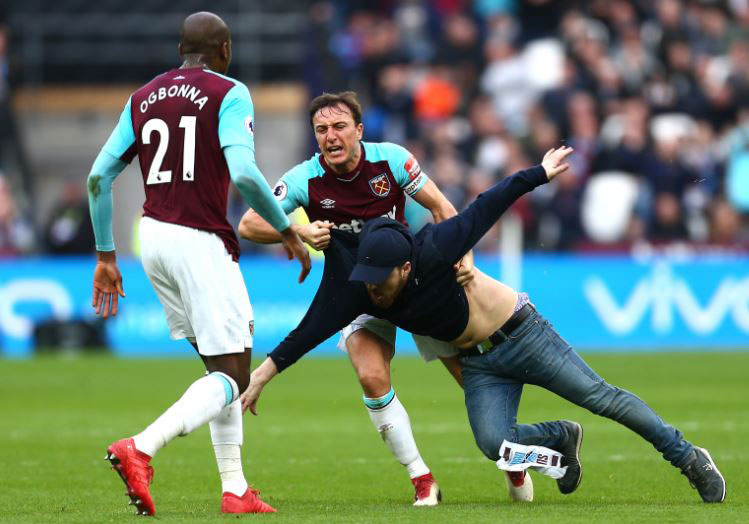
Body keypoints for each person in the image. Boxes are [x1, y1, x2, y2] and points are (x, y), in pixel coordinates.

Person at [243, 146, 726, 504]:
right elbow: (308, 332)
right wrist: (261, 376)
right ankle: (560, 437)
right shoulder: (357, 285)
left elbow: (487, 204)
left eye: (380, 280)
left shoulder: (435, 249)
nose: (372, 290)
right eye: (366, 279)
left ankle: (687, 457)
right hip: (479, 365)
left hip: (523, 335)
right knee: (496, 445)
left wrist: (539, 172)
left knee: (603, 398)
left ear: (406, 267)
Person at [86, 11, 310, 516]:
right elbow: (246, 174)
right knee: (233, 373)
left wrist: (105, 253)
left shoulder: (142, 97)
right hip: (199, 240)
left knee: (219, 365)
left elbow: (99, 177)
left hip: (155, 239)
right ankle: (141, 448)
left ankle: (235, 490)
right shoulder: (229, 91)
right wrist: (286, 227)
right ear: (225, 49)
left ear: (181, 49)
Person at [238, 91, 488, 505]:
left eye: (339, 127)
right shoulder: (306, 177)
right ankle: (422, 479)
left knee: (469, 377)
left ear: (358, 130)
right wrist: (299, 230)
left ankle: (510, 458)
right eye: (321, 130)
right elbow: (249, 224)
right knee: (371, 377)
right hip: (357, 292)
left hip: (412, 284)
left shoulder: (391, 159)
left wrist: (467, 261)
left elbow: (444, 208)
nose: (330, 137)